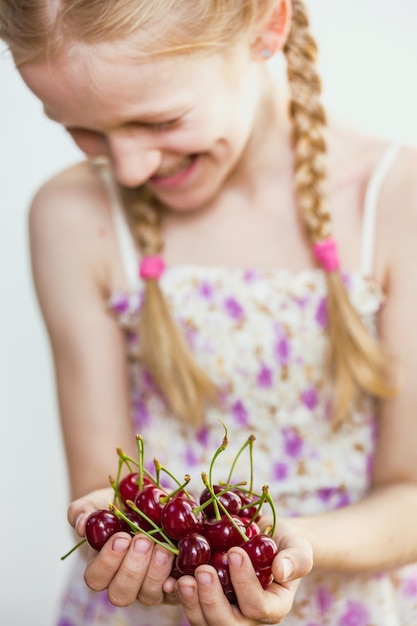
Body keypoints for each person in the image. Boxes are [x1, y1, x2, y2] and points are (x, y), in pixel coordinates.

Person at [2, 0, 417, 624]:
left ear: (267, 27)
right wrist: (116, 535)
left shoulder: (395, 202)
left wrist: (291, 549)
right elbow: (101, 484)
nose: (129, 167)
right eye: (82, 130)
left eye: (160, 120)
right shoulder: (70, 218)